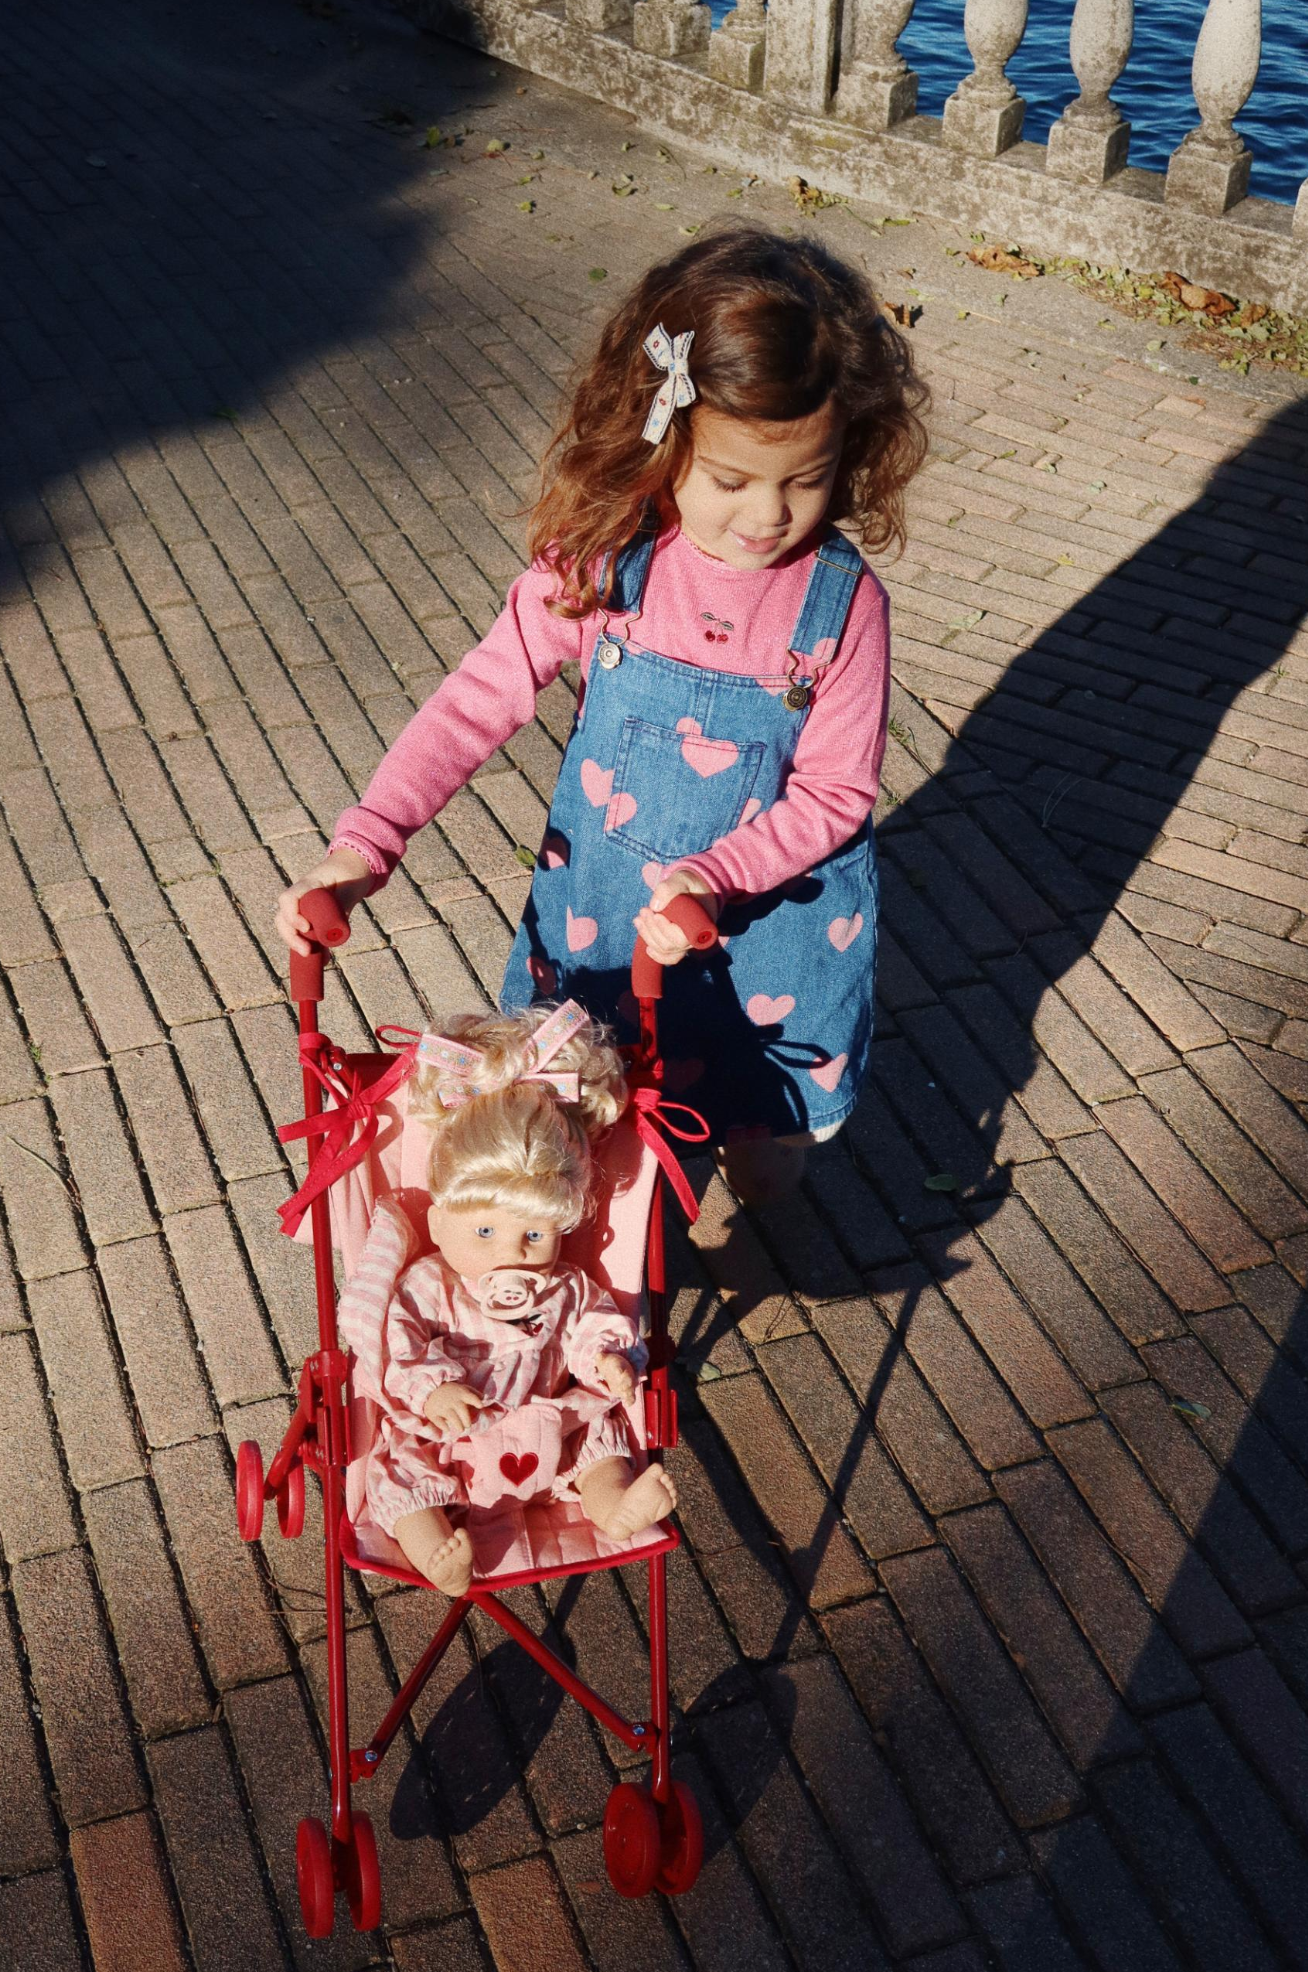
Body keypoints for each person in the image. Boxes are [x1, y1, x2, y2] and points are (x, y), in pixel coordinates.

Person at [277, 226, 929, 1200]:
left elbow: (837, 791)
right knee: (589, 1127)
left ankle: (748, 1186)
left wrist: (716, 875)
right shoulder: (604, 563)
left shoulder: (839, 603)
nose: (766, 516)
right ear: (666, 444)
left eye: (806, 479)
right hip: (606, 926)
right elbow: (471, 705)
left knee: (763, 1150)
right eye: (731, 480)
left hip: (766, 933)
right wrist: (365, 844)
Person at [337, 1000, 675, 1597]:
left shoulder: (564, 1285)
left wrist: (607, 1360)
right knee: (403, 1470)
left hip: (547, 1429)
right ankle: (434, 1551)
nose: (511, 1253)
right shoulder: (429, 1283)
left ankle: (614, 1505)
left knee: (599, 1443)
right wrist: (433, 1389)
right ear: (440, 1225)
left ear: (561, 1230)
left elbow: (591, 1323)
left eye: (535, 1235)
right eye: (486, 1232)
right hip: (450, 1440)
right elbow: (397, 1341)